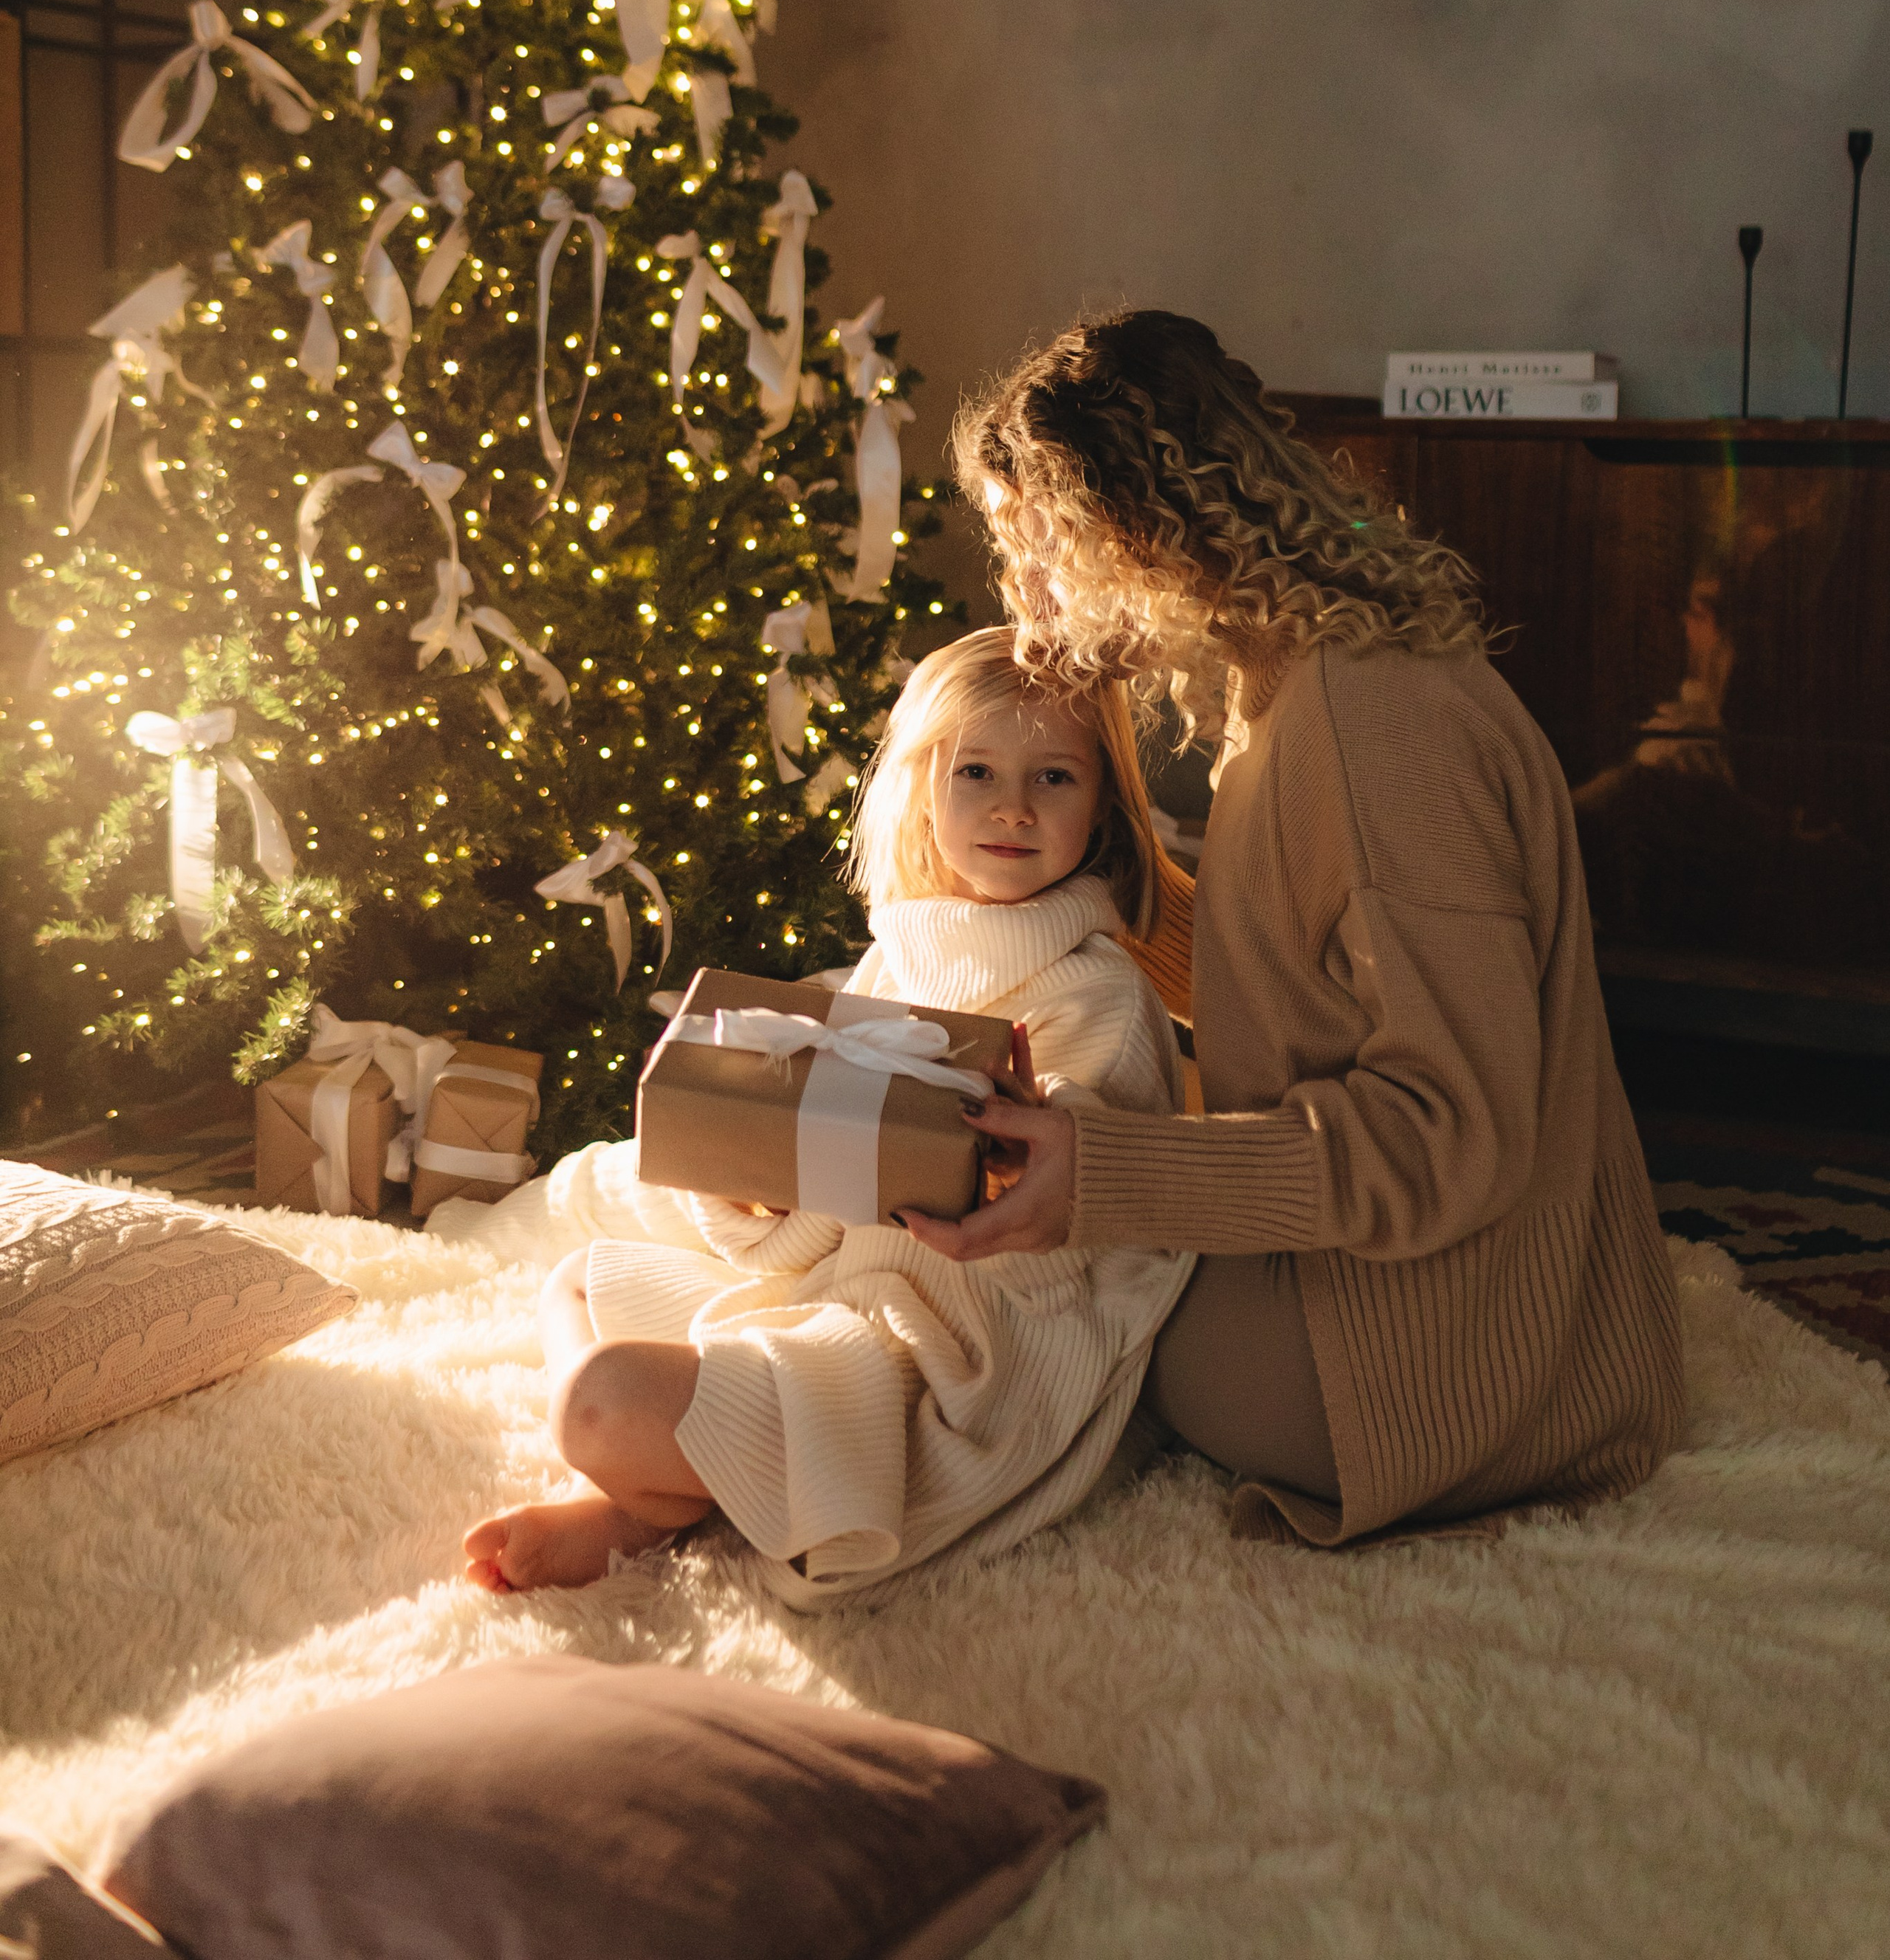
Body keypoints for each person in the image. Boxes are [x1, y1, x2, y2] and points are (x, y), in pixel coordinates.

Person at [898, 309, 1685, 1548]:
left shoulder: (1376, 730)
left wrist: (1107, 1177)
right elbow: (1292, 972)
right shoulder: (1305, 665)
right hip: (1445, 1306)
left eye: (1026, 547)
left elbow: (1452, 1133)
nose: (1018, 596)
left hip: (1435, 1373)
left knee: (1022, 1305)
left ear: (1119, 528)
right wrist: (1106, 878)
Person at [455, 629, 1194, 1601]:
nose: (1012, 806)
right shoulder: (901, 960)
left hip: (954, 1362)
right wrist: (746, 1179)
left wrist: (1030, 1145)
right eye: (977, 770)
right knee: (579, 1285)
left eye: (1053, 777)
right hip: (846, 1296)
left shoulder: (1099, 997)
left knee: (599, 1405)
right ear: (927, 790)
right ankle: (683, 1488)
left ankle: (666, 1502)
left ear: (1100, 807)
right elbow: (821, 1229)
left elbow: (1093, 1272)